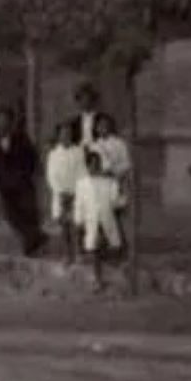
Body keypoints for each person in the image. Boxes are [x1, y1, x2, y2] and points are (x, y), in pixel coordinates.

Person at [0, 107, 45, 257]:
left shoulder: (21, 138)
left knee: (28, 212)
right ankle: (35, 238)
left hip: (22, 183)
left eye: (5, 121)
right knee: (12, 216)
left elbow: (32, 157)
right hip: (4, 184)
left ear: (11, 123)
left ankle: (31, 245)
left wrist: (28, 174)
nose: (2, 124)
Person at [74, 148, 122, 288]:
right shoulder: (81, 184)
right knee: (94, 247)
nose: (94, 166)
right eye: (91, 164)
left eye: (97, 163)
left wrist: (122, 195)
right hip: (91, 220)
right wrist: (79, 220)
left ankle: (109, 272)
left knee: (110, 245)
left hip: (106, 218)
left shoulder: (108, 182)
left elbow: (115, 202)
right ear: (87, 166)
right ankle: (97, 278)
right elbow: (79, 204)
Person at [44, 122, 84, 264]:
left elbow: (82, 172)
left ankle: (79, 252)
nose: (66, 136)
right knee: (64, 225)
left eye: (69, 133)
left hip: (75, 192)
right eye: (63, 133)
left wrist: (75, 192)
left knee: (76, 223)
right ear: (58, 136)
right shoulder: (53, 154)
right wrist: (61, 192)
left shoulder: (78, 151)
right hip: (60, 194)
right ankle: (67, 254)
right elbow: (51, 175)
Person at [70, 82, 105, 149]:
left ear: (93, 100)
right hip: (79, 151)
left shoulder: (102, 119)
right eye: (82, 99)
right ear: (79, 102)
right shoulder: (74, 122)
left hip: (98, 149)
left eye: (88, 98)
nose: (85, 102)